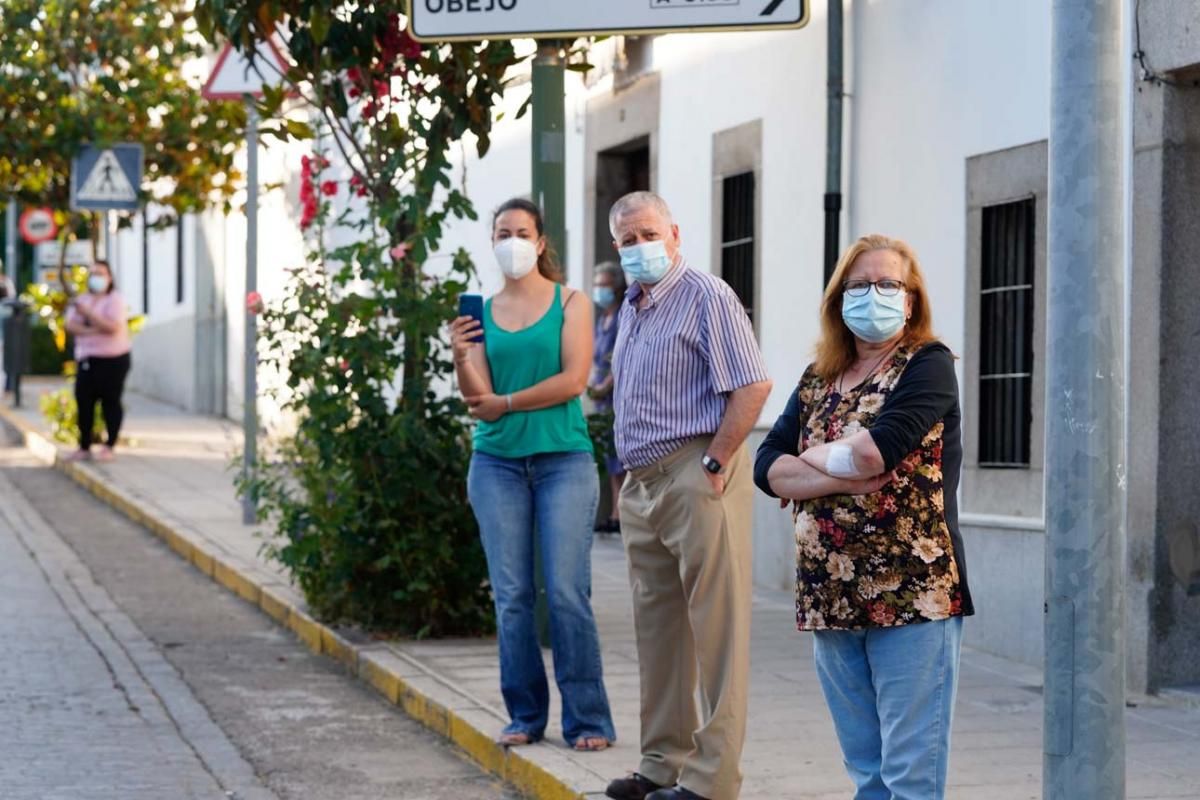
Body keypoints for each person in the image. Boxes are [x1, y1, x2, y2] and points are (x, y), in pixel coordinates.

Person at [753, 234, 974, 800]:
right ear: (837, 298)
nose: (872, 295)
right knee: (867, 774)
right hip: (829, 593)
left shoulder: (927, 365)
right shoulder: (816, 377)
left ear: (911, 298)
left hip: (912, 593)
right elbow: (765, 467)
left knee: (909, 776)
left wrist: (806, 469)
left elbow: (880, 451)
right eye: (858, 285)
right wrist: (830, 469)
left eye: (887, 284)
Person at [604, 191, 772, 800]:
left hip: (696, 473)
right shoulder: (633, 306)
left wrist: (716, 460)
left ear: (674, 234)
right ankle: (661, 763)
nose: (638, 247)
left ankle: (711, 781)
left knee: (718, 632)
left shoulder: (707, 295)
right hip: (643, 485)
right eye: (626, 239)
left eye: (648, 233)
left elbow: (752, 384)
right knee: (659, 630)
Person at [449, 197, 616, 752]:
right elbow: (478, 399)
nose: (513, 241)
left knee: (567, 592)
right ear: (492, 240)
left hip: (562, 461)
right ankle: (524, 715)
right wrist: (459, 355)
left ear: (541, 242)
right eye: (503, 232)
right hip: (495, 463)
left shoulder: (571, 302)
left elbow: (573, 381)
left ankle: (588, 720)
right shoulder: (482, 310)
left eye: (523, 232)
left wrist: (508, 401)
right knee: (512, 595)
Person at [65, 260, 132, 463]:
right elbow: (70, 325)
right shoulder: (82, 299)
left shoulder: (115, 300)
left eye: (100, 273)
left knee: (110, 402)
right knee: (84, 402)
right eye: (93, 273)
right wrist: (94, 329)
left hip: (113, 360)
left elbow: (112, 327)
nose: (96, 278)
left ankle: (109, 444)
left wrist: (88, 316)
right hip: (87, 359)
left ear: (109, 277)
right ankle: (84, 446)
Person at [587, 261, 626, 533]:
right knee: (610, 461)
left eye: (604, 285)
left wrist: (606, 384)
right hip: (601, 398)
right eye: (597, 285)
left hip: (616, 398)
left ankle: (620, 514)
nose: (599, 291)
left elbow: (620, 357)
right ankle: (615, 513)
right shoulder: (602, 319)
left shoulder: (624, 315)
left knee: (620, 460)